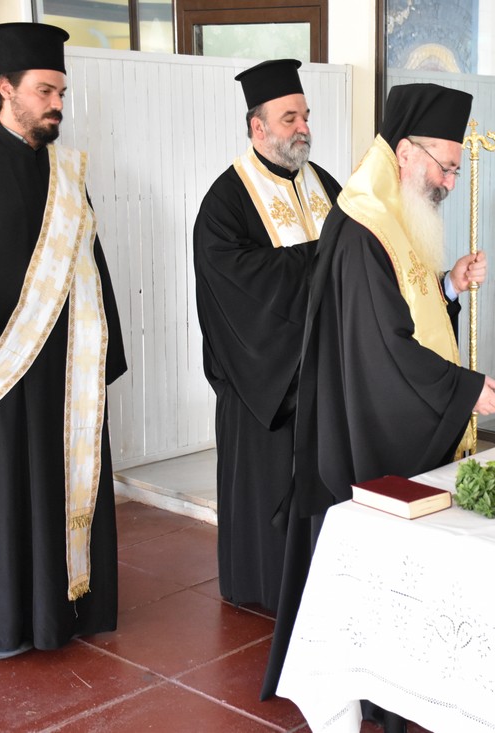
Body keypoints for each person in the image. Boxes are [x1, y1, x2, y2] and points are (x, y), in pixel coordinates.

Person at [261, 83, 495, 726]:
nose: (449, 182)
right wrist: (461, 389)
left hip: (381, 410)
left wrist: (448, 285)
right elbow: (380, 352)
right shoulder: (364, 227)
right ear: (405, 152)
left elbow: (408, 311)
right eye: (444, 167)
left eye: (455, 171)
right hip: (361, 433)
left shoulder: (396, 215)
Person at [0, 23, 126, 659]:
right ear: (5, 88)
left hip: (65, 375)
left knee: (66, 487)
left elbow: (88, 265)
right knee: (3, 498)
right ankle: (5, 622)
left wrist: (102, 355)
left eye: (61, 92)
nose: (56, 104)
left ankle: (69, 612)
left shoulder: (65, 173)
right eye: (44, 91)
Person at [192, 59, 342, 612]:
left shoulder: (324, 183)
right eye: (289, 119)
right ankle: (264, 587)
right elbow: (238, 285)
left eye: (305, 116)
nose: (303, 128)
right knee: (268, 496)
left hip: (323, 373)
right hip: (264, 382)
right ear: (258, 127)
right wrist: (321, 258)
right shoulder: (226, 200)